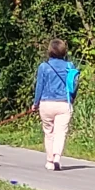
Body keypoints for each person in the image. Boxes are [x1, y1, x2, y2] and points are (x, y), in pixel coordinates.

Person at [31, 39, 79, 171]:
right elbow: (74, 85)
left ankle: (50, 161)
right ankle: (57, 156)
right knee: (60, 132)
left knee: (49, 132)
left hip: (46, 103)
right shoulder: (70, 66)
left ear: (50, 51)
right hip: (64, 103)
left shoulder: (44, 67)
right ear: (64, 51)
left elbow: (39, 87)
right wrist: (72, 99)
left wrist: (35, 104)